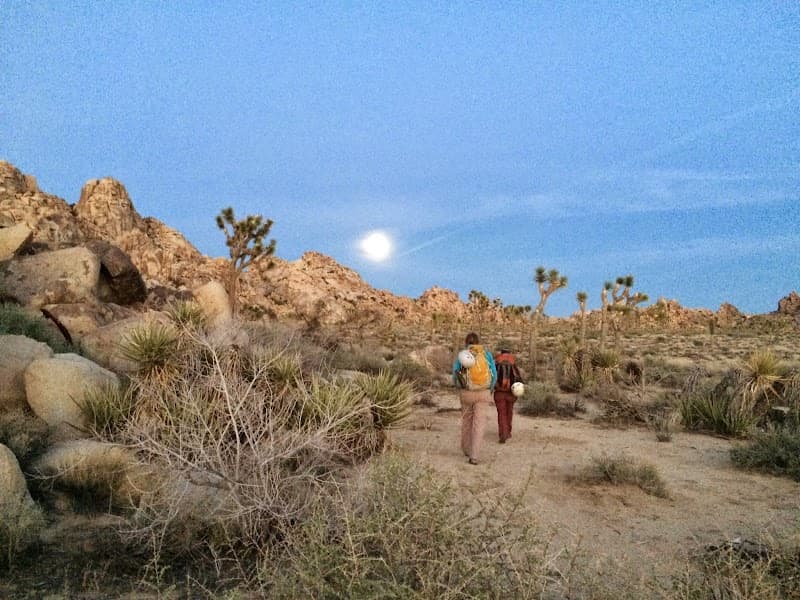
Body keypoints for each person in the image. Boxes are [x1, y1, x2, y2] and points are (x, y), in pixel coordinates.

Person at [452, 332, 496, 465]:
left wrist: (459, 388)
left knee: (466, 421)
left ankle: (466, 449)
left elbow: (455, 374)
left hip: (466, 392)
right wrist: (490, 389)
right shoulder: (486, 355)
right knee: (479, 424)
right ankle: (474, 456)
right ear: (478, 342)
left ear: (466, 342)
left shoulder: (463, 355)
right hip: (483, 393)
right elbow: (494, 374)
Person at [493, 343, 524, 443]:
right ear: (509, 353)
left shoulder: (496, 362)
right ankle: (508, 432)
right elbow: (519, 379)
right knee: (509, 412)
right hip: (511, 392)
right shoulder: (513, 362)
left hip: (499, 392)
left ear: (501, 353)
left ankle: (503, 434)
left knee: (501, 413)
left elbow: (492, 377)